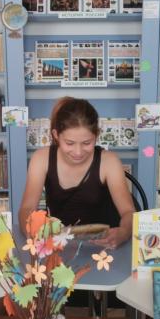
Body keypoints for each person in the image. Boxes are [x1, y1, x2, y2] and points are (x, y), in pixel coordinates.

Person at [18, 97, 135, 249]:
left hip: (105, 246)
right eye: (70, 143)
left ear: (97, 135)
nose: (78, 152)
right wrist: (31, 232)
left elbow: (128, 212)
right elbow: (26, 209)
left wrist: (124, 232)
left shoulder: (109, 162)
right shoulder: (41, 159)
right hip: (62, 246)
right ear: (56, 135)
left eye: (87, 143)